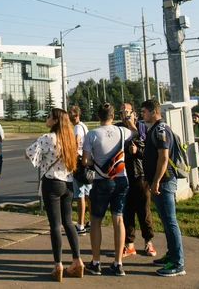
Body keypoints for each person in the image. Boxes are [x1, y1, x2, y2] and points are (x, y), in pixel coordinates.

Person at [25, 108, 85, 281]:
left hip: (52, 183)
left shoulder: (47, 138)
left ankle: (58, 265)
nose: (46, 118)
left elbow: (28, 153)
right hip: (68, 183)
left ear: (56, 121)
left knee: (54, 225)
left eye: (49, 116)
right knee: (68, 222)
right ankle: (77, 261)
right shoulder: (69, 140)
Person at [82, 102, 130, 276]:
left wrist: (97, 164)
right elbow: (137, 134)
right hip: (121, 179)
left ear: (97, 116)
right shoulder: (122, 132)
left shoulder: (92, 134)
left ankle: (96, 262)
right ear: (113, 116)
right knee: (119, 220)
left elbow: (85, 161)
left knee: (96, 220)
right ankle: (118, 263)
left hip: (102, 181)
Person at [141, 99, 186, 277]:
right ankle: (172, 254)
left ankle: (177, 263)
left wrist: (156, 180)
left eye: (144, 111)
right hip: (160, 181)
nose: (142, 114)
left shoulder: (161, 129)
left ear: (154, 112)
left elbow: (163, 157)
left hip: (164, 181)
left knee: (170, 221)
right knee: (166, 221)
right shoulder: (155, 129)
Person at [116, 103, 157, 258]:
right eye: (121, 113)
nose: (124, 116)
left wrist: (137, 151)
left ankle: (148, 241)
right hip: (124, 176)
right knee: (127, 211)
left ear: (134, 114)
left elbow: (149, 150)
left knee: (144, 211)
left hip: (141, 176)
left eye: (127, 113)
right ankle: (129, 243)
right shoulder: (119, 128)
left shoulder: (142, 128)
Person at [68, 105, 91, 235]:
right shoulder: (83, 126)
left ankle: (80, 225)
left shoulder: (77, 127)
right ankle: (92, 222)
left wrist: (72, 155)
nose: (68, 114)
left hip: (79, 164)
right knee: (88, 194)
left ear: (76, 114)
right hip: (87, 163)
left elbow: (77, 141)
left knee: (80, 194)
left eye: (70, 112)